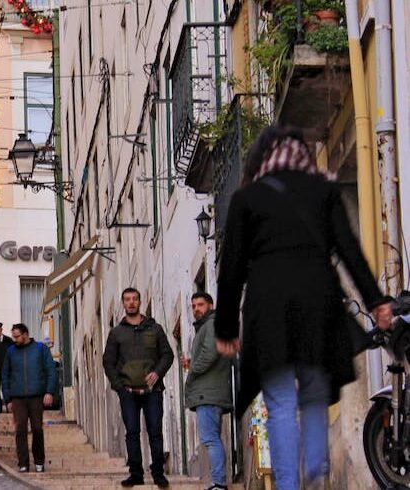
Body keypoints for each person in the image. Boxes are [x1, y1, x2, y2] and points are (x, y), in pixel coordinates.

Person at [214, 125, 393, 490]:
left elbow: (230, 269)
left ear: (261, 157)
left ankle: (288, 485)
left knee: (280, 401)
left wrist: (226, 329)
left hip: (268, 309)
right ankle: (314, 467)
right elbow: (349, 251)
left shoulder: (247, 200)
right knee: (314, 389)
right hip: (318, 301)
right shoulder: (323, 191)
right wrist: (375, 301)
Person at [102, 287, 173, 488]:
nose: (131, 302)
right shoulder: (116, 333)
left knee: (155, 432)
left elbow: (167, 355)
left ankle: (158, 473)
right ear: (123, 304)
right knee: (132, 433)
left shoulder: (155, 329)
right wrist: (119, 387)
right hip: (128, 393)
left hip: (153, 392)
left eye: (134, 299)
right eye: (127, 299)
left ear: (140, 302)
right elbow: (108, 361)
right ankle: (136, 474)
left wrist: (157, 372)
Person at [183, 292, 231, 490]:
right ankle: (218, 481)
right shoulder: (208, 326)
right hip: (210, 391)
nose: (196, 309)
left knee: (210, 438)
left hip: (208, 393)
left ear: (210, 305)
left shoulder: (211, 325)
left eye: (200, 305)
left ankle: (219, 483)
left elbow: (210, 353)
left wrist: (193, 367)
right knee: (212, 438)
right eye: (193, 306)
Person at [1, 323, 56, 474]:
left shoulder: (40, 349)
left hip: (37, 396)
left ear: (26, 334)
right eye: (13, 336)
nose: (15, 339)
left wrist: (49, 392)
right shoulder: (11, 352)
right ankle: (23, 463)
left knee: (37, 429)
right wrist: (7, 399)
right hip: (17, 398)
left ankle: (39, 461)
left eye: (17, 336)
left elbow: (51, 370)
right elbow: (5, 375)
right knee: (20, 430)